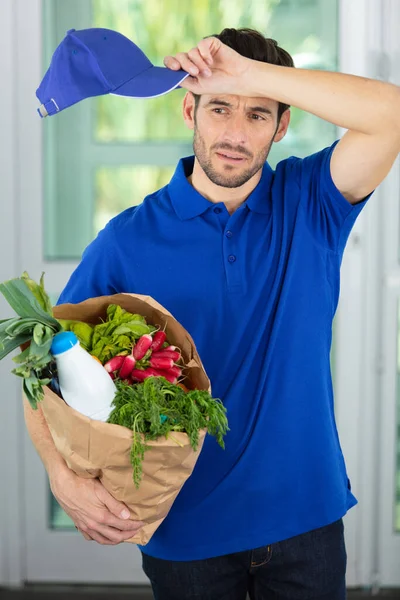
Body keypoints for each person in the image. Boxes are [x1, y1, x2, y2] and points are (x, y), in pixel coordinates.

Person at [24, 27, 400, 600]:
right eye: (219, 107)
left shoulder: (311, 203)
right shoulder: (125, 241)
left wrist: (246, 73)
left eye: (257, 115)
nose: (233, 133)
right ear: (188, 109)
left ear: (282, 126)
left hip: (305, 518)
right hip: (183, 532)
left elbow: (391, 114)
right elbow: (40, 363)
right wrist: (61, 473)